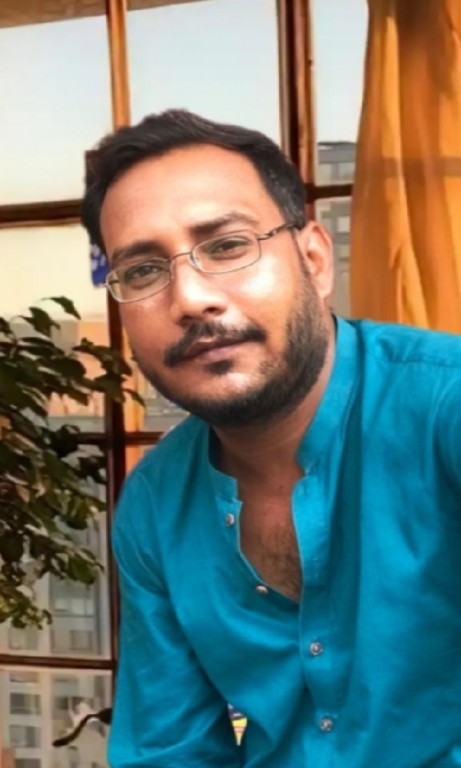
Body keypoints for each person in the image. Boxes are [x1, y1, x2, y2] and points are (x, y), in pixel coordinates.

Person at [81, 110, 461, 768]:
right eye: (142, 271)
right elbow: (169, 752)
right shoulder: (154, 503)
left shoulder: (443, 410)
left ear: (314, 260)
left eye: (227, 245)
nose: (191, 299)